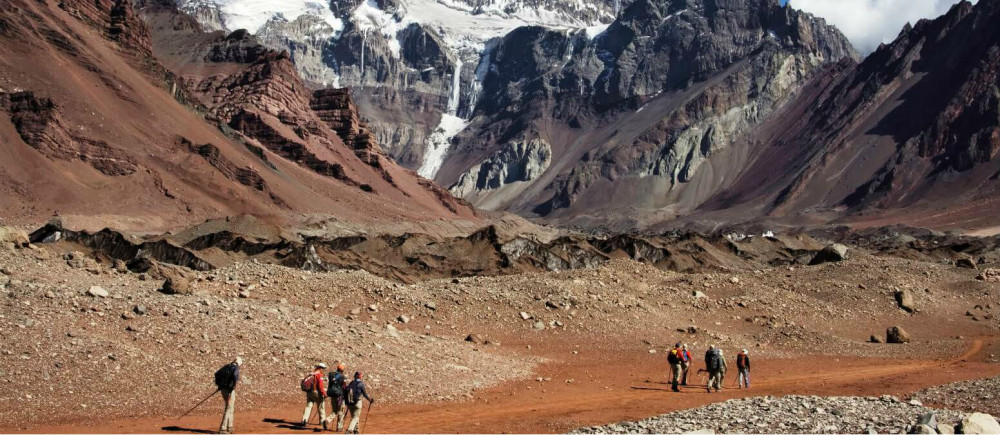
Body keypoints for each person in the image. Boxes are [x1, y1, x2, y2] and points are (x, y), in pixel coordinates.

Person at [214, 356, 242, 434]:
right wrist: (232, 387)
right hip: (229, 390)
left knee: (230, 407)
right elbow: (235, 376)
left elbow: (216, 373)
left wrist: (219, 385)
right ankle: (223, 428)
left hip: (223, 389)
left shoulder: (226, 366)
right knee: (229, 407)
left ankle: (230, 426)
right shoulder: (235, 368)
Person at [300, 363, 328, 429]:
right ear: (320, 368)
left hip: (309, 392)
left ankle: (304, 420)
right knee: (321, 405)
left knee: (309, 406)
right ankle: (322, 421)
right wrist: (324, 394)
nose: (323, 370)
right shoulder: (319, 375)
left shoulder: (312, 373)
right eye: (323, 369)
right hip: (315, 392)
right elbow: (320, 387)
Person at [325, 363, 349, 431]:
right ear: (343, 370)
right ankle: (339, 427)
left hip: (333, 395)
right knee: (341, 412)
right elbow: (344, 387)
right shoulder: (342, 377)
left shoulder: (331, 375)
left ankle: (327, 420)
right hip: (340, 396)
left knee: (334, 410)